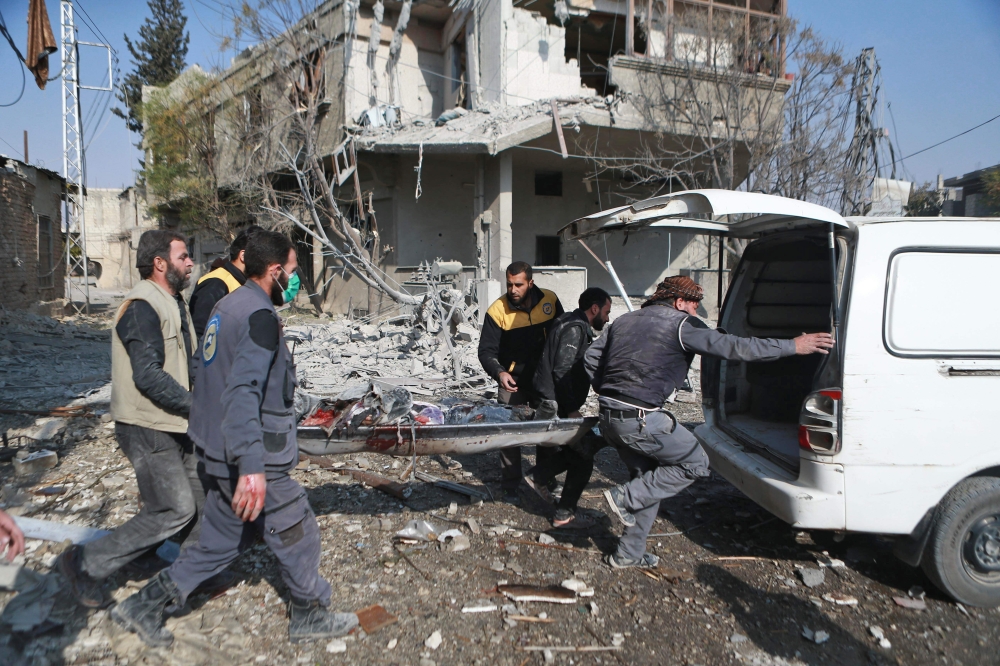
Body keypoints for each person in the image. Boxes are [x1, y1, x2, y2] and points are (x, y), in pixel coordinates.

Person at [111, 230, 357, 647]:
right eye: (294, 272)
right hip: (251, 452)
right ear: (275, 271)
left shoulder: (228, 305)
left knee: (220, 542)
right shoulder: (258, 315)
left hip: (216, 447)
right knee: (298, 529)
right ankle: (309, 615)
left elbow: (207, 372)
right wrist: (252, 469)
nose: (295, 281)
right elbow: (242, 390)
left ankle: (142, 606)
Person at [584, 276, 835, 568]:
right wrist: (793, 346)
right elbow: (736, 348)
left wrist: (610, 390)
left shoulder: (624, 321)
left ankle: (627, 554)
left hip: (611, 416)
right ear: (679, 303)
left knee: (649, 480)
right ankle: (624, 497)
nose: (695, 314)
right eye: (693, 306)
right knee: (694, 462)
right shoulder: (681, 324)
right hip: (641, 419)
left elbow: (590, 358)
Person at [58, 230, 207, 608]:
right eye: (183, 257)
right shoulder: (141, 306)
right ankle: (84, 564)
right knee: (175, 508)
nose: (190, 263)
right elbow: (148, 375)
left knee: (202, 500)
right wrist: (198, 406)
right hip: (147, 426)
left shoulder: (173, 302)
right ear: (160, 264)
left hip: (175, 422)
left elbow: (184, 364)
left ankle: (186, 576)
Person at [477, 261, 563, 505]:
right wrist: (500, 373)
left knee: (547, 432)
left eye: (518, 284)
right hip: (512, 383)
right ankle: (510, 486)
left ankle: (545, 478)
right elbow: (486, 351)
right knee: (509, 433)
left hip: (544, 381)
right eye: (509, 284)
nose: (513, 290)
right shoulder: (498, 310)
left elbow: (563, 332)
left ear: (530, 283)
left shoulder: (550, 301)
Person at [529, 287, 612, 527]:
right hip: (557, 402)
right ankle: (562, 512)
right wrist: (573, 408)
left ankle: (542, 479)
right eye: (606, 312)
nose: (606, 318)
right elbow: (562, 370)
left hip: (554, 399)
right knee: (583, 456)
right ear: (594, 308)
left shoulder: (568, 320)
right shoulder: (575, 329)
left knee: (580, 454)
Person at [189, 226, 256, 341]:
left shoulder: (243, 283)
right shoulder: (215, 283)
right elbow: (199, 335)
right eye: (263, 258)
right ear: (243, 256)